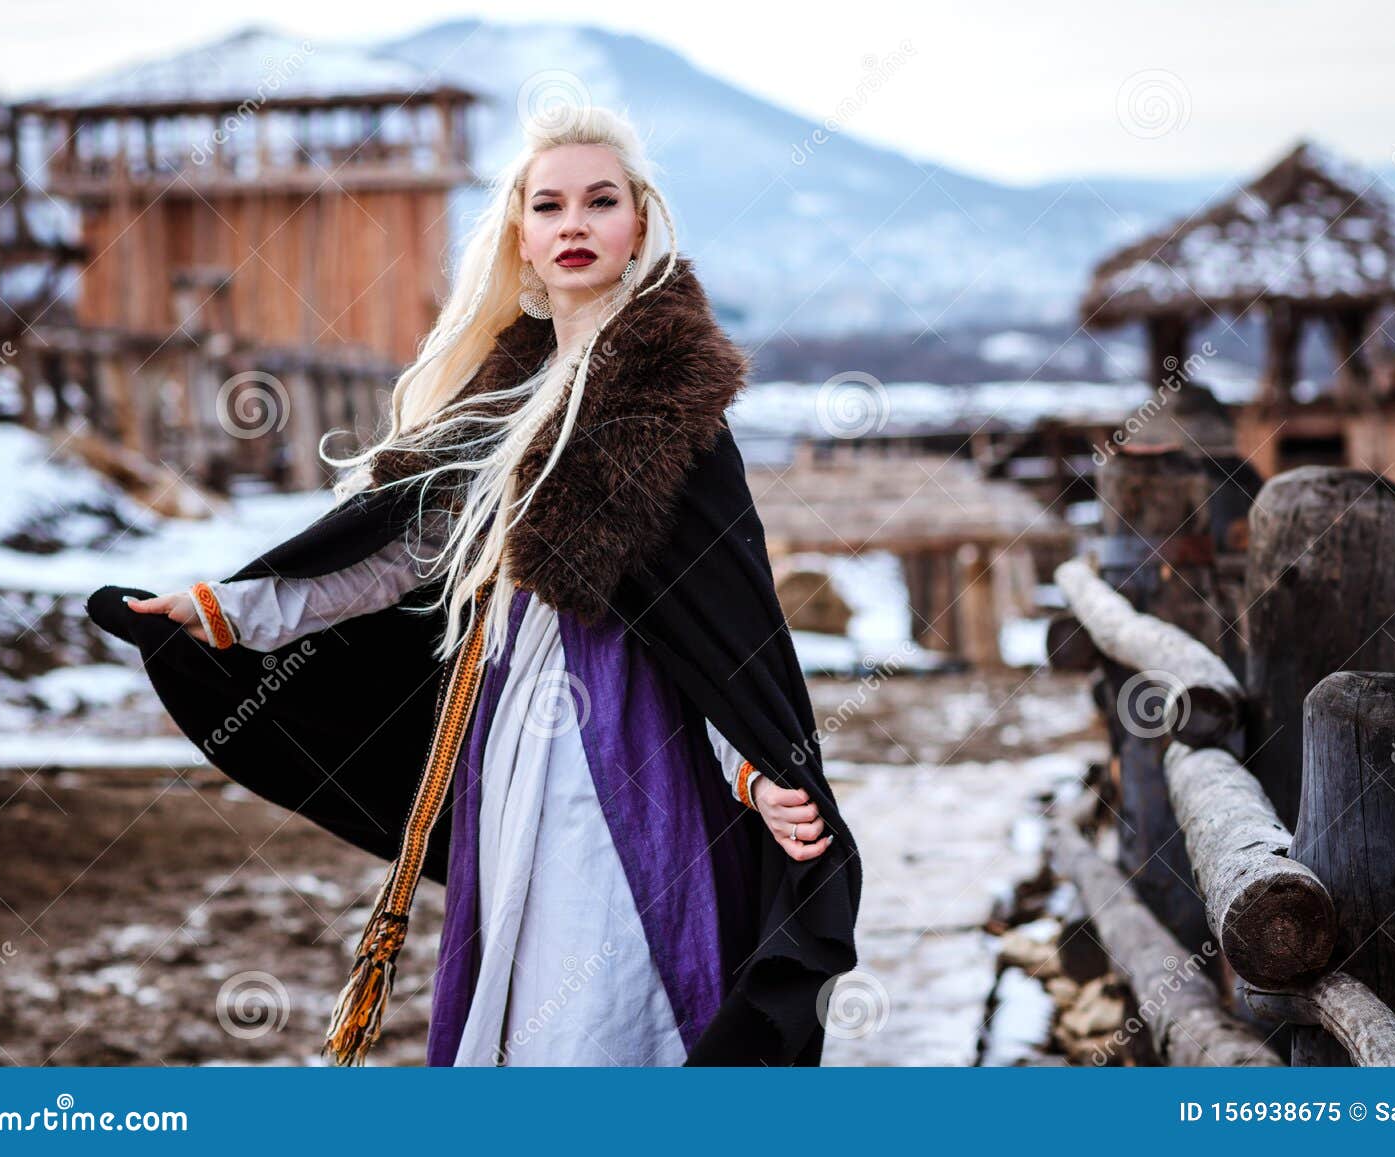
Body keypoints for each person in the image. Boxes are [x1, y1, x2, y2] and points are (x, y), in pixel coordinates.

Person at [88, 106, 861, 1067]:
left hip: (630, 748)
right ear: (522, 239)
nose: (573, 223)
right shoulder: (493, 403)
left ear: (640, 227)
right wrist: (235, 612)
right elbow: (396, 557)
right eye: (549, 205)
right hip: (506, 740)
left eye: (600, 201)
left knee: (607, 992)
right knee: (520, 986)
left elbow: (717, 628)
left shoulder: (675, 405)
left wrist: (753, 764)